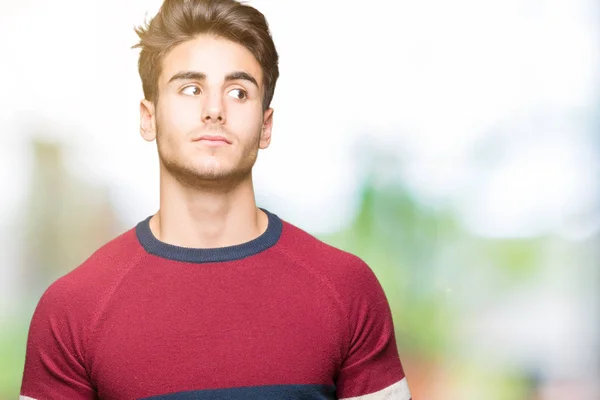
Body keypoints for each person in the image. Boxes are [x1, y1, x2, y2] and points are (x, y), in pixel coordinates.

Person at [20, 0, 411, 399]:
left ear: (266, 125)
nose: (214, 110)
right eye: (191, 89)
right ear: (148, 117)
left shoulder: (346, 290)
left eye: (238, 92)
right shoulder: (73, 309)